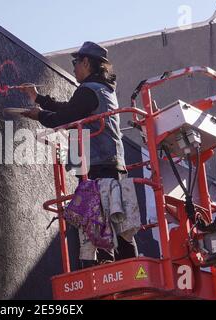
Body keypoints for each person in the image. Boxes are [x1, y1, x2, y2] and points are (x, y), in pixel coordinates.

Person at [20, 41, 138, 269]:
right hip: (110, 165)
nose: (73, 68)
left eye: (76, 63)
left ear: (87, 63)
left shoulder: (88, 91)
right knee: (115, 222)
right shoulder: (103, 90)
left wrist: (39, 115)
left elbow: (64, 118)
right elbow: (70, 109)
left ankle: (117, 271)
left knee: (96, 222)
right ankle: (126, 271)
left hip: (99, 166)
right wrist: (39, 99)